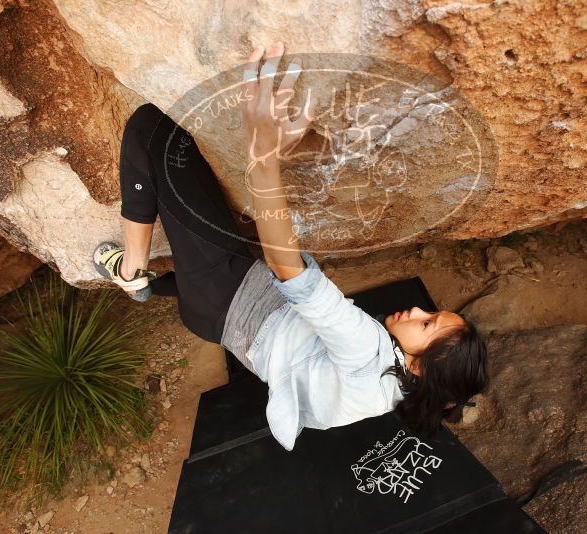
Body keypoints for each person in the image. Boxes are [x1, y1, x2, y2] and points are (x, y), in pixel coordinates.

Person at [93, 41, 489, 451]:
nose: (419, 310)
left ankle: (132, 271)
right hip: (223, 318)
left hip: (227, 292)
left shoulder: (366, 350)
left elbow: (293, 276)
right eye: (434, 311)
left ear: (418, 367)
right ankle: (152, 288)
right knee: (200, 259)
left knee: (153, 130)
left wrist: (263, 157)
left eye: (427, 324)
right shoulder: (383, 395)